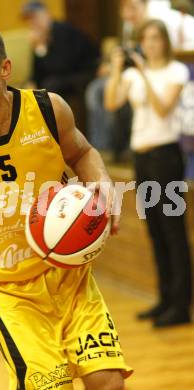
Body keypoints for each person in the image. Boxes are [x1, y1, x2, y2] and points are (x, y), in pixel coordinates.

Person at [0, 21, 132, 389]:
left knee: (108, 381)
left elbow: (81, 152)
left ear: (5, 69)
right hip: (5, 289)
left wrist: (103, 183)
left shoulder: (48, 109)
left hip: (68, 275)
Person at [105, 19, 192, 327]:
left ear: (165, 41)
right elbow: (112, 101)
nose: (151, 43)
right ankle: (164, 298)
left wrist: (143, 72)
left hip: (166, 157)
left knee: (173, 230)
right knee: (154, 229)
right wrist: (117, 68)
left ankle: (180, 305)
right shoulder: (131, 74)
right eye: (146, 38)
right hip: (141, 159)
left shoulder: (176, 72)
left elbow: (163, 108)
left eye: (156, 38)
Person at [21, 1, 99, 127]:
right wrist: (30, 83)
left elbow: (61, 67)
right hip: (65, 75)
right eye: (29, 20)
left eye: (34, 17)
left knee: (50, 85)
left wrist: (40, 48)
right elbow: (38, 72)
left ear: (47, 15)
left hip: (84, 72)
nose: (32, 23)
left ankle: (56, 132)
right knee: (28, 90)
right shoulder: (40, 37)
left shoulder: (62, 30)